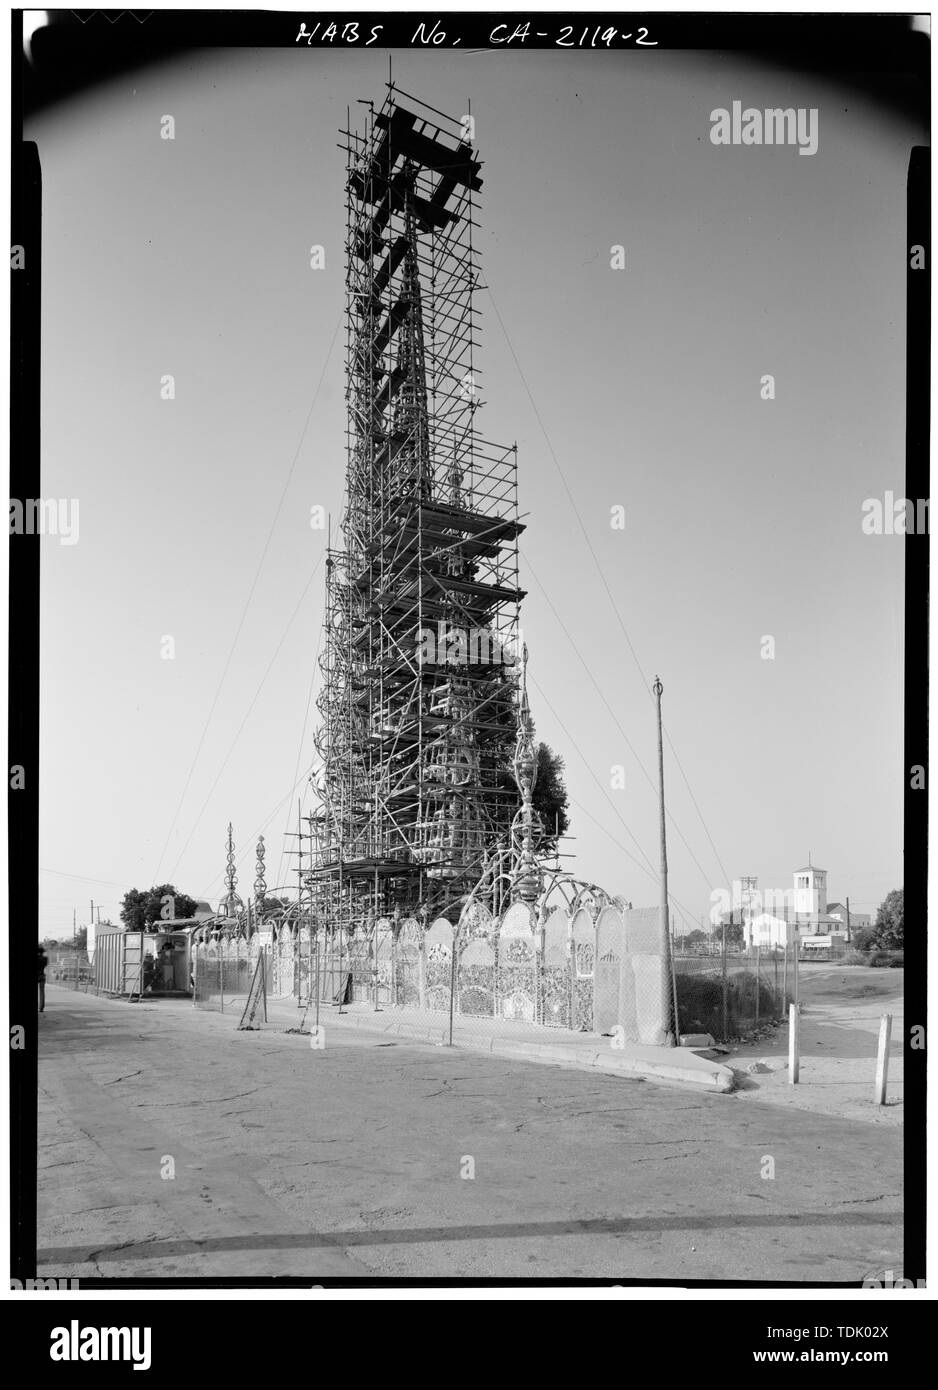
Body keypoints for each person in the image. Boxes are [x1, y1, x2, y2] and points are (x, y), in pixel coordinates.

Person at [37, 945, 48, 1012]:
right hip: (42, 975)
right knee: (42, 992)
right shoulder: (45, 958)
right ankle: (41, 1007)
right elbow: (45, 965)